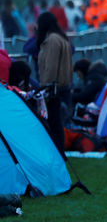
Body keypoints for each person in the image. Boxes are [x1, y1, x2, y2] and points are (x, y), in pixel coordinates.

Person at [36, 11, 73, 152]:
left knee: (54, 123)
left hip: (53, 88)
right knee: (59, 123)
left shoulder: (51, 40)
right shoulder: (62, 38)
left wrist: (45, 87)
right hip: (64, 86)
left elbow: (50, 66)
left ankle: (56, 151)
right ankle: (59, 150)